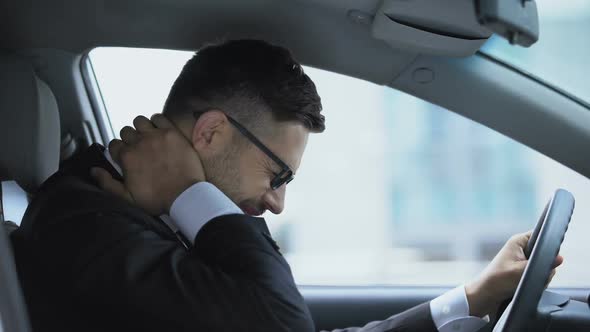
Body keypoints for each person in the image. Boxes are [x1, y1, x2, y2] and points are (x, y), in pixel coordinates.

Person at [14, 40, 563, 332]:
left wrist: (471, 298)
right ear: (210, 132)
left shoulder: (139, 212)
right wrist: (187, 188)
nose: (276, 203)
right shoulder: (81, 223)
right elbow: (278, 323)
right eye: (278, 175)